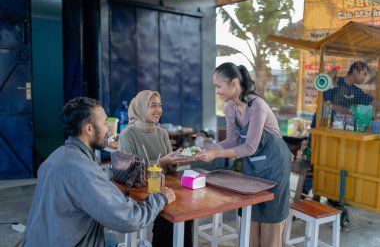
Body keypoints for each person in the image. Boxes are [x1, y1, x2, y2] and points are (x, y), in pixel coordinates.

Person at [23, 97, 175, 247]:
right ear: (89, 129)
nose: (108, 128)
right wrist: (160, 198)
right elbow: (128, 220)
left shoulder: (55, 157)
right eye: (104, 123)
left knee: (109, 239)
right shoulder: (83, 170)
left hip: (42, 239)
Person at [195, 62, 292, 247]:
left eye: (218, 86)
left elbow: (249, 147)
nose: (217, 91)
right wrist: (211, 149)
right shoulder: (230, 108)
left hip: (275, 164)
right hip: (253, 165)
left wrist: (215, 156)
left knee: (271, 217)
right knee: (251, 213)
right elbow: (232, 140)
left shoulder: (257, 106)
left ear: (233, 83)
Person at [118, 90, 193, 247]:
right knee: (171, 215)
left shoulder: (162, 133)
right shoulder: (128, 134)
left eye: (160, 105)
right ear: (141, 108)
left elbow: (170, 169)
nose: (158, 110)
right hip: (139, 191)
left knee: (187, 210)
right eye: (153, 106)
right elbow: (129, 171)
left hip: (164, 187)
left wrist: (175, 159)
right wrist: (163, 161)